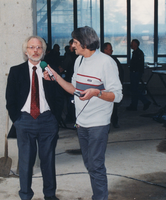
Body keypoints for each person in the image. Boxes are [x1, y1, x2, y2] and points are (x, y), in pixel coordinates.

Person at [44, 26, 123, 200]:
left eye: (75, 42)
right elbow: (74, 89)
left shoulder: (106, 62)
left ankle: (100, 197)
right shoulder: (79, 61)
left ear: (85, 43)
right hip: (82, 122)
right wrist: (55, 77)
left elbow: (117, 96)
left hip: (98, 123)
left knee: (95, 165)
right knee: (89, 164)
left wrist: (97, 92)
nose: (72, 45)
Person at [6, 36, 63, 200]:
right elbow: (10, 99)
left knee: (48, 161)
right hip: (24, 121)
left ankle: (50, 195)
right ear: (26, 51)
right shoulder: (16, 71)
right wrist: (17, 119)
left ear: (43, 51)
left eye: (39, 47)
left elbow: (59, 97)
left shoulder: (50, 71)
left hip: (47, 121)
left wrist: (54, 117)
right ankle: (25, 195)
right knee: (25, 162)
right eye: (32, 47)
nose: (35, 50)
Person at [102, 42, 124, 128]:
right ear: (105, 50)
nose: (112, 50)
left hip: (111, 87)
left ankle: (114, 121)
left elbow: (120, 73)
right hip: (102, 87)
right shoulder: (100, 60)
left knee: (113, 106)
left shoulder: (113, 60)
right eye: (110, 49)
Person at [126, 39, 151, 111]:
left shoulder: (137, 53)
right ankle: (134, 105)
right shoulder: (138, 52)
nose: (131, 44)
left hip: (135, 72)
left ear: (136, 44)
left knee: (134, 89)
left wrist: (133, 70)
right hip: (136, 72)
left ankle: (145, 101)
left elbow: (136, 64)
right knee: (134, 89)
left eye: (132, 43)